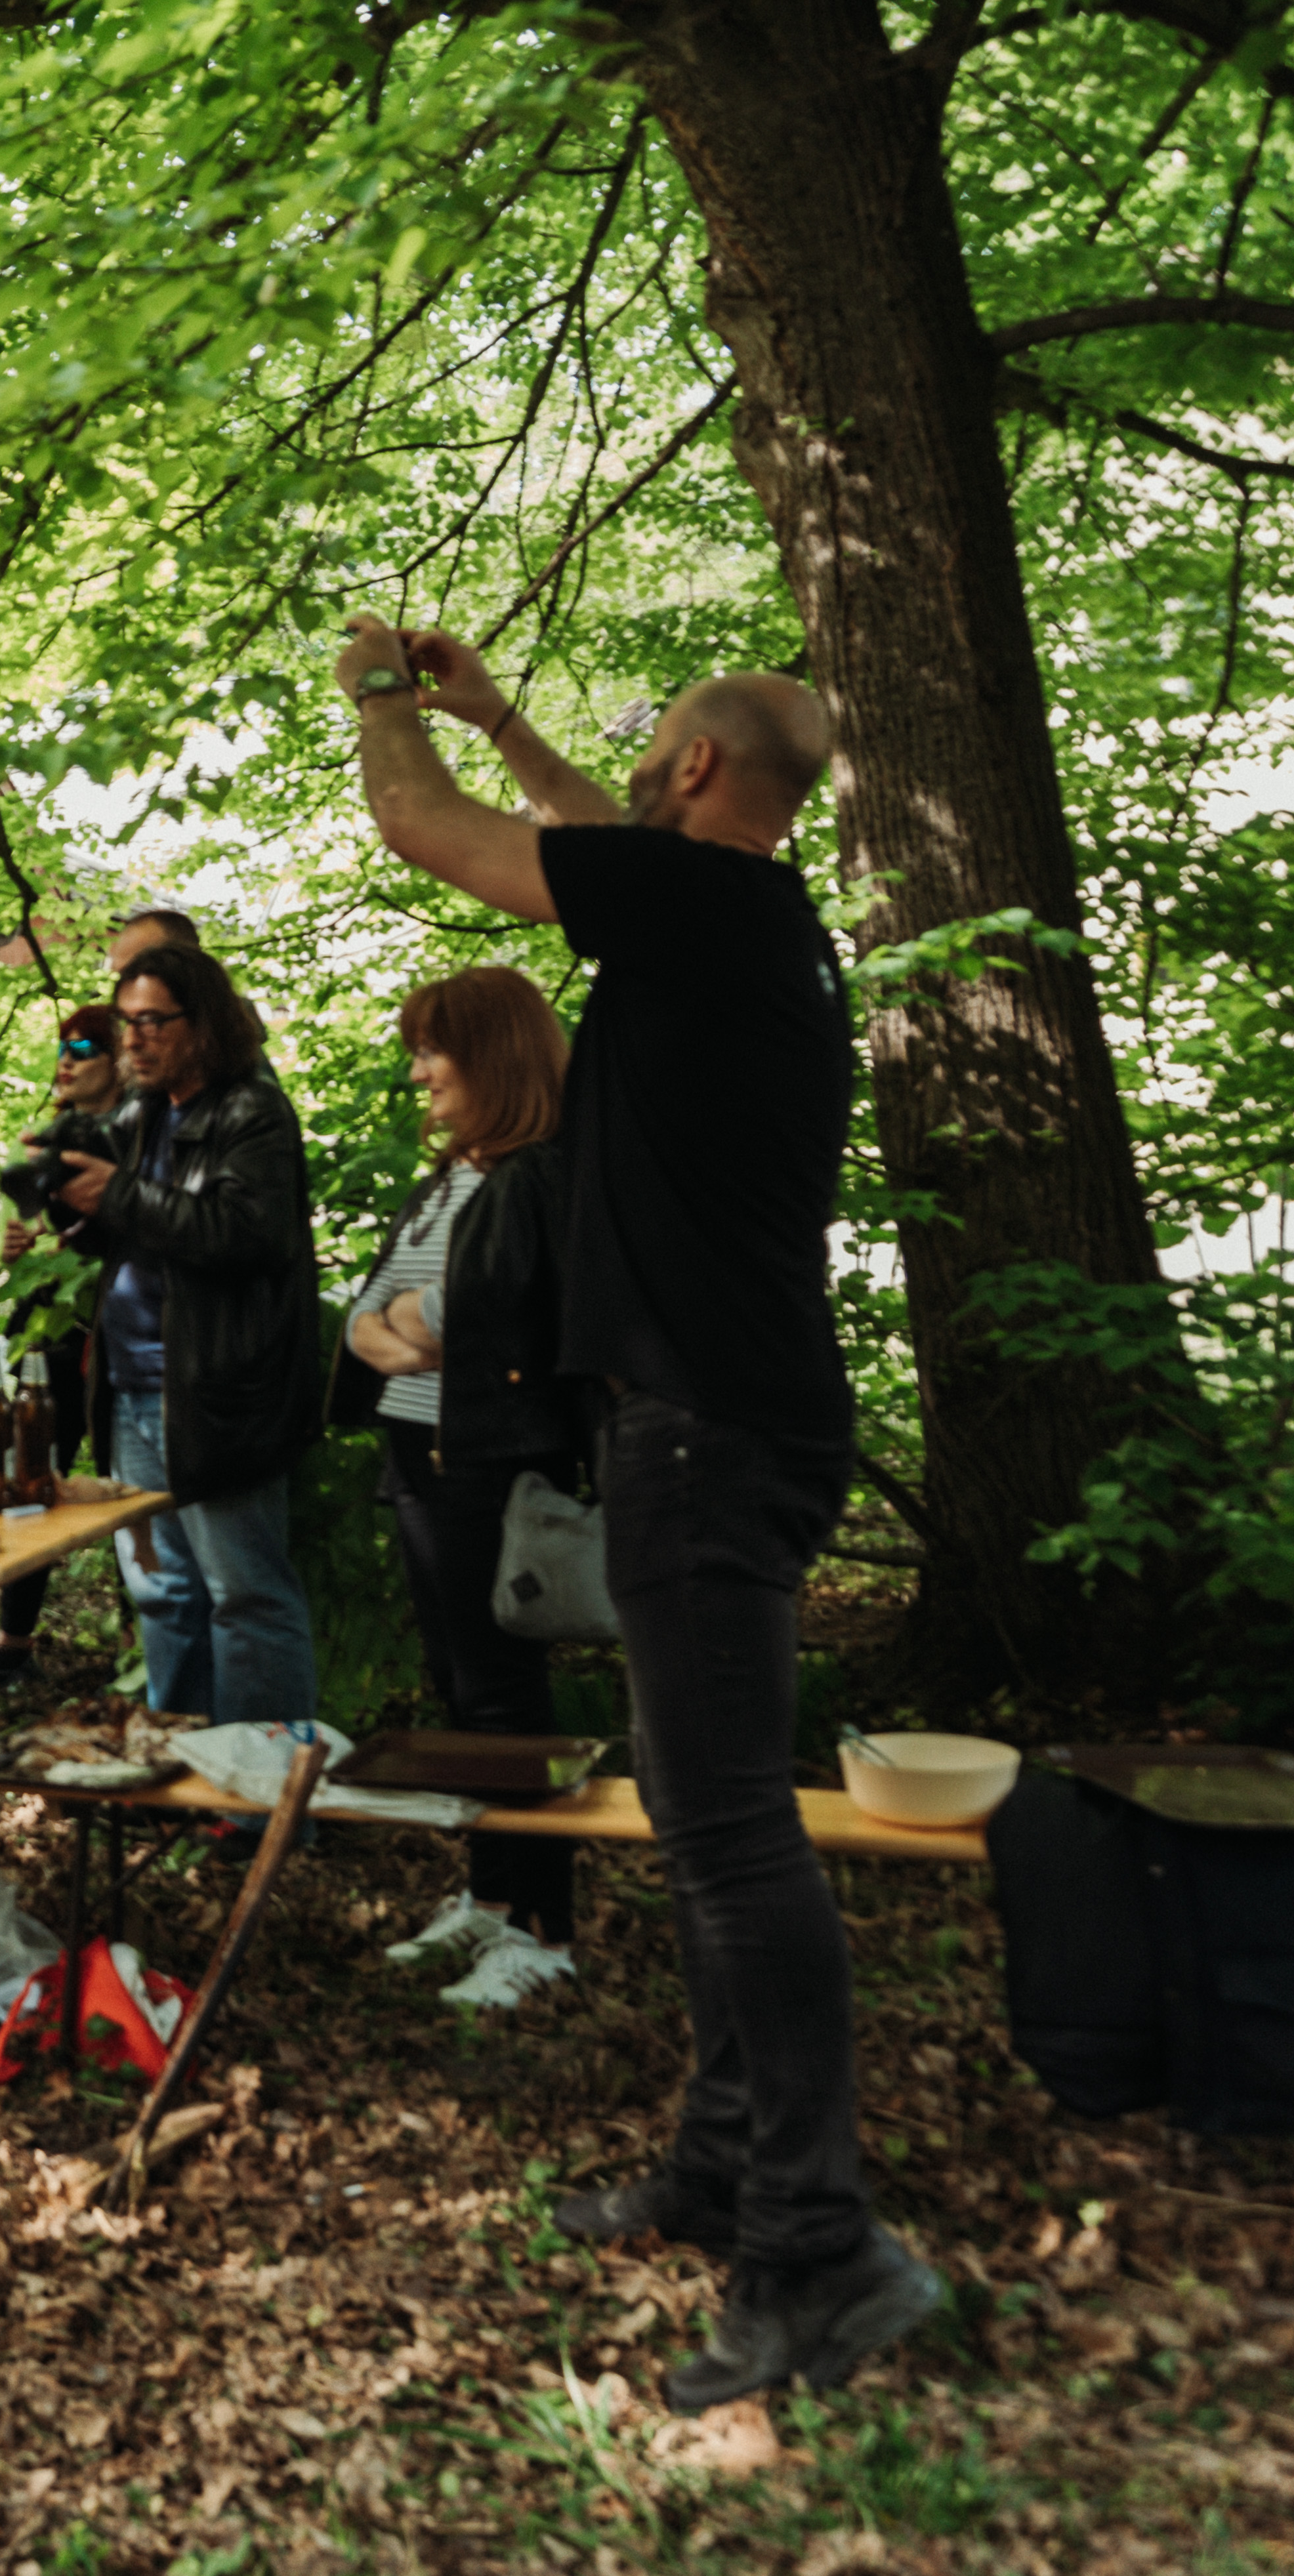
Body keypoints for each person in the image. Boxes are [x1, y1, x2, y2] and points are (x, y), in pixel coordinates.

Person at [344, 608, 938, 2408]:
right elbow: (596, 825)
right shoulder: (746, 925)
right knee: (702, 1808)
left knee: (731, 1837)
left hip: (704, 1430)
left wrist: (377, 698)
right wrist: (505, 712)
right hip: (733, 1418)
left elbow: (427, 836)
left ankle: (819, 2252)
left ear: (696, 772)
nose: (627, 781)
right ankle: (720, 2161)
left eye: (649, 752)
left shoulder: (707, 915)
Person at [327, 966, 591, 2010]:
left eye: (437, 1050)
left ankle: (548, 1932)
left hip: (491, 1470)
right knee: (458, 1691)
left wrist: (401, 1332)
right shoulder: (449, 1181)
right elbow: (368, 1314)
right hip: (420, 1466)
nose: (420, 1070)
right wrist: (391, 1334)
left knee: (506, 1701)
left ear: (497, 1058)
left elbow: (449, 1317)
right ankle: (488, 1901)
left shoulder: (536, 1180)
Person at [35, 942, 323, 1725]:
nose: (132, 1041)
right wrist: (69, 1197)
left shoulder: (250, 1110)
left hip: (217, 1392)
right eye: (126, 1023)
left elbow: (246, 1233)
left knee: (246, 1598)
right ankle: (184, 1773)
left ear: (202, 1024)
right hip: (131, 1386)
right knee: (163, 1594)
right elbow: (125, 1240)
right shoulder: (140, 1114)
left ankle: (262, 1795)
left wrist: (119, 1197)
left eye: (152, 1022)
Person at [0, 999, 119, 1675]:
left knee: (133, 1488)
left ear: (123, 1057)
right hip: (51, 1338)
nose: (67, 1058)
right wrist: (12, 1245)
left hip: (122, 1340)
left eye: (87, 1046)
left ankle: (141, 1643)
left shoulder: (142, 1141)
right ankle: (13, 1641)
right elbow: (7, 1244)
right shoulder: (43, 1139)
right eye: (63, 1045)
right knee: (31, 1480)